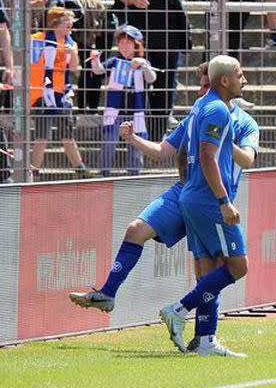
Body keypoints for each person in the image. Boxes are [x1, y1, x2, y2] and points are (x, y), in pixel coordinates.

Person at [70, 60, 259, 355]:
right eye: (201, 84)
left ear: (219, 83)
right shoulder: (202, 112)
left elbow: (247, 159)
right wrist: (132, 138)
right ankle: (113, 294)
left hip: (204, 192)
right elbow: (162, 151)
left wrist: (223, 139)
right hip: (196, 193)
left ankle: (205, 339)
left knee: (208, 270)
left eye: (206, 84)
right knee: (138, 230)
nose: (202, 89)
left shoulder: (242, 122)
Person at [159, 55, 251, 357]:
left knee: (210, 268)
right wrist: (223, 200)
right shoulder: (217, 110)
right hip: (209, 200)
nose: (244, 79)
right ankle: (179, 309)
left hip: (194, 195)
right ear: (225, 80)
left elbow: (186, 151)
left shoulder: (201, 106)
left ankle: (206, 340)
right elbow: (207, 155)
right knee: (238, 266)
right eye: (239, 74)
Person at [120, 0, 189, 141]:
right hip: (142, 31)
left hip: (169, 29)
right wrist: (133, 0)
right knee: (139, 81)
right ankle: (134, 133)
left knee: (166, 82)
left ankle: (159, 134)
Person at [28, 7, 90, 179]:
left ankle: (80, 170)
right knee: (42, 135)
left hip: (61, 94)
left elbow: (76, 70)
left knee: (67, 134)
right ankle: (33, 172)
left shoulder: (71, 43)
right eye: (66, 21)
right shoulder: (37, 40)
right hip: (41, 93)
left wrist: (73, 55)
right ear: (55, 24)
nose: (70, 24)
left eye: (71, 21)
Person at [89, 25, 156, 176]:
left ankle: (134, 174)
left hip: (136, 112)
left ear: (136, 45)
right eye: (121, 43)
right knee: (109, 142)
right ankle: (104, 173)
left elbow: (151, 78)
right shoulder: (114, 61)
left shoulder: (142, 62)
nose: (124, 46)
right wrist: (95, 59)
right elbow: (98, 70)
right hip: (115, 111)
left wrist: (143, 65)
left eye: (128, 43)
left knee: (136, 145)